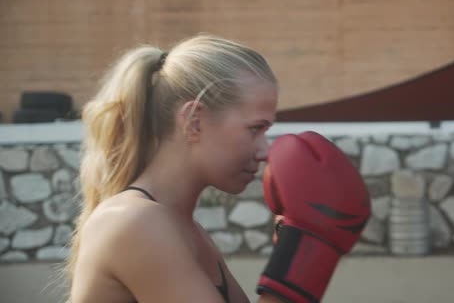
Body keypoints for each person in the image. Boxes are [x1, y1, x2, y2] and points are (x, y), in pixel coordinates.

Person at [66, 33, 369, 303]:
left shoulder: (183, 228)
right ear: (195, 121)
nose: (265, 152)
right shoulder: (133, 222)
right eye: (255, 129)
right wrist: (303, 255)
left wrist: (295, 245)